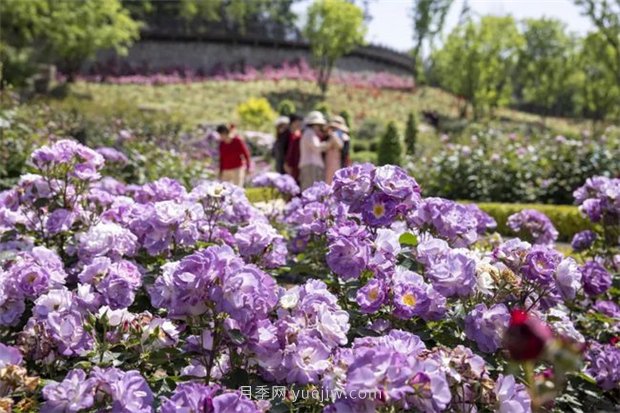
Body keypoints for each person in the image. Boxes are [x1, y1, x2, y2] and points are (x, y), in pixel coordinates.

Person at [298, 111, 334, 191]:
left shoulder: (308, 133)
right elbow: (317, 147)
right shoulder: (310, 133)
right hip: (311, 166)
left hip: (309, 165)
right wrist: (329, 143)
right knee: (311, 190)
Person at [324, 115, 350, 184]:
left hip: (338, 162)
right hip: (330, 161)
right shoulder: (329, 136)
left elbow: (343, 149)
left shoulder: (344, 137)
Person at [284, 114, 303, 183]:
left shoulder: (300, 135)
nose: (299, 124)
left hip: (298, 163)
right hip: (291, 164)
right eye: (297, 122)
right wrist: (287, 163)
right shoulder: (288, 135)